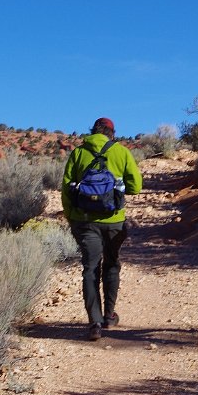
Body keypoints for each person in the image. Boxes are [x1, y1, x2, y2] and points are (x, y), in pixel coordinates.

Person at [61, 117, 143, 341]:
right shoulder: (121, 152)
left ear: (93, 131)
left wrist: (71, 217)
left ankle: (94, 323)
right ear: (112, 133)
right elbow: (136, 186)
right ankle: (109, 316)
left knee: (90, 269)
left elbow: (66, 190)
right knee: (112, 264)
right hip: (114, 220)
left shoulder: (78, 153)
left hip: (85, 221)